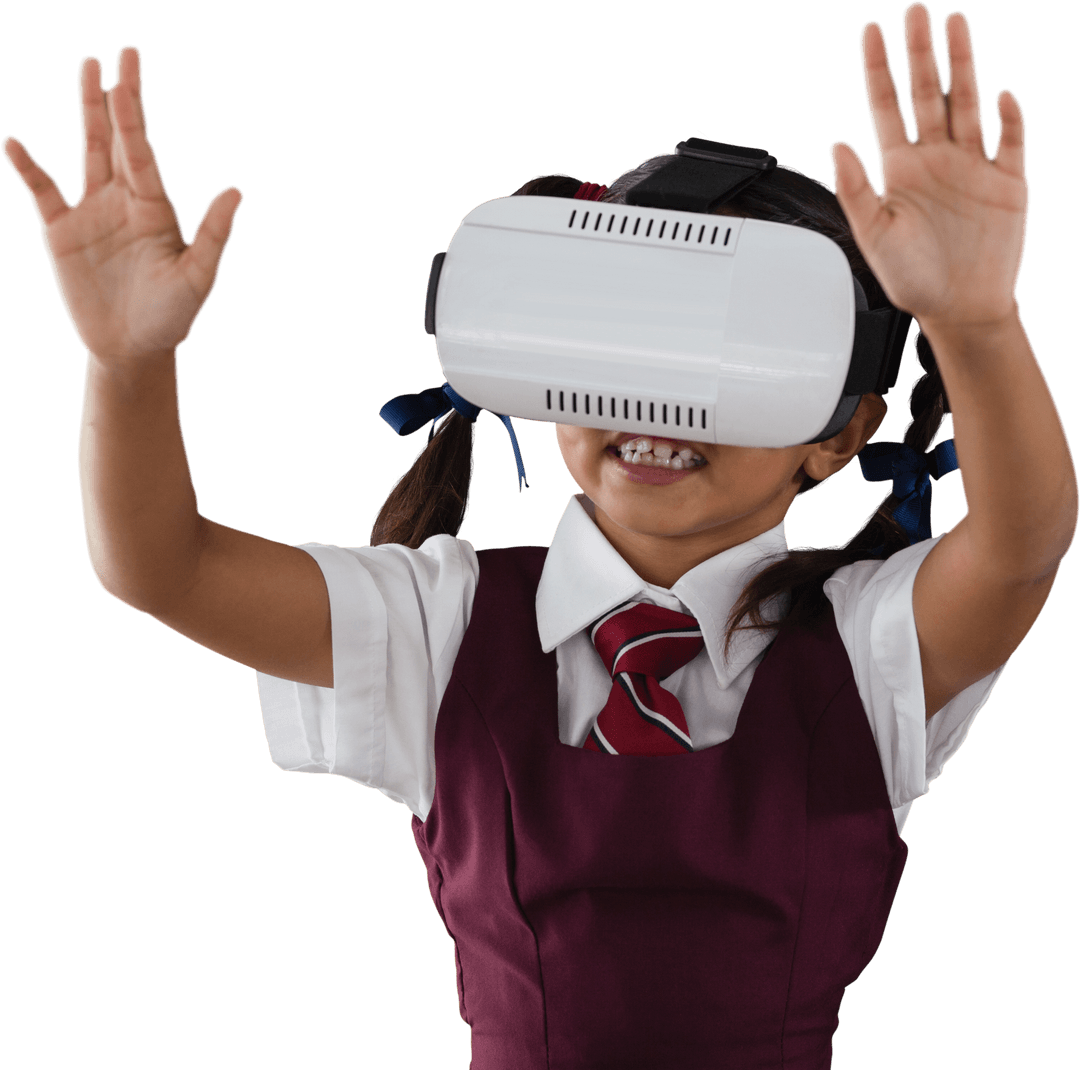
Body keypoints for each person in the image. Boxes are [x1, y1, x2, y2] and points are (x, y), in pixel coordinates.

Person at [3, 4, 1075, 1067]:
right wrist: (127, 362)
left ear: (840, 433)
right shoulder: (437, 621)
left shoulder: (870, 647)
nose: (656, 406)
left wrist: (977, 322)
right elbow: (159, 565)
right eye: (620, 347)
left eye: (721, 362)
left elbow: (1025, 542)